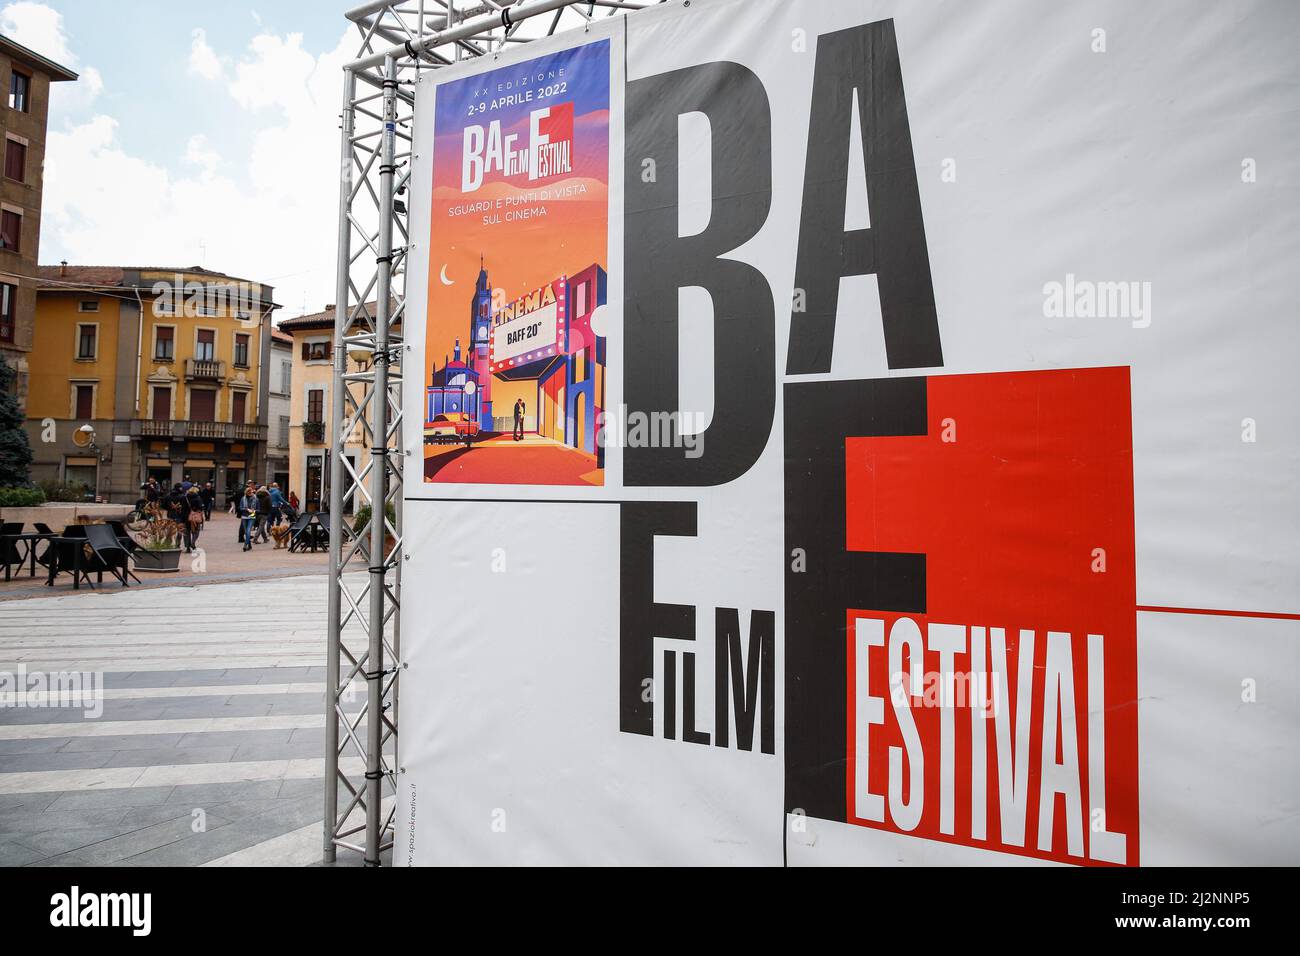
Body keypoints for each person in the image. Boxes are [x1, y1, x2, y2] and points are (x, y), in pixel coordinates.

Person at [238, 486, 259, 552]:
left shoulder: (256, 499)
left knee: (248, 530)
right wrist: (247, 509)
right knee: (246, 531)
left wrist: (254, 511)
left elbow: (258, 509)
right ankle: (249, 545)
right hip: (244, 516)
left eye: (251, 492)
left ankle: (245, 545)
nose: (250, 494)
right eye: (249, 493)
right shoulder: (243, 499)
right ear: (246, 493)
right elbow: (240, 508)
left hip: (252, 516)